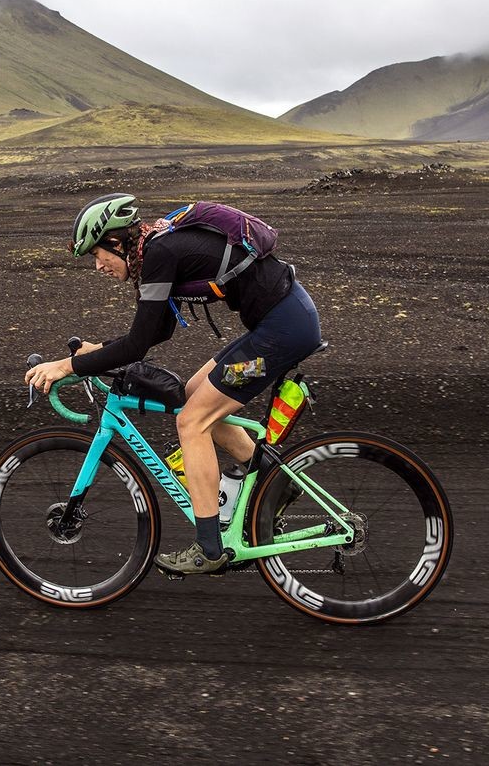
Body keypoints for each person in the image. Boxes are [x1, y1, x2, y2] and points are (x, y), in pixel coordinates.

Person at [25, 192, 322, 575]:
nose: (98, 266)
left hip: (283, 330)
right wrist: (97, 351)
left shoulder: (160, 253)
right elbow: (156, 331)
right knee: (191, 399)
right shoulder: (158, 250)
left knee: (191, 422)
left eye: (98, 255)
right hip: (280, 323)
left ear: (116, 242)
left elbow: (138, 343)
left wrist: (69, 365)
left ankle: (209, 547)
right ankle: (276, 485)